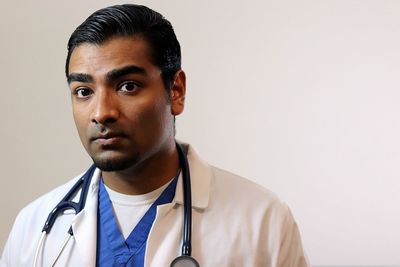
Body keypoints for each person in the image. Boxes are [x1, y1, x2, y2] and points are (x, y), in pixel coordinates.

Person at [1, 4, 309, 267]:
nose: (101, 112)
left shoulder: (262, 222)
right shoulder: (34, 227)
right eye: (84, 91)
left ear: (175, 91)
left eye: (128, 86)